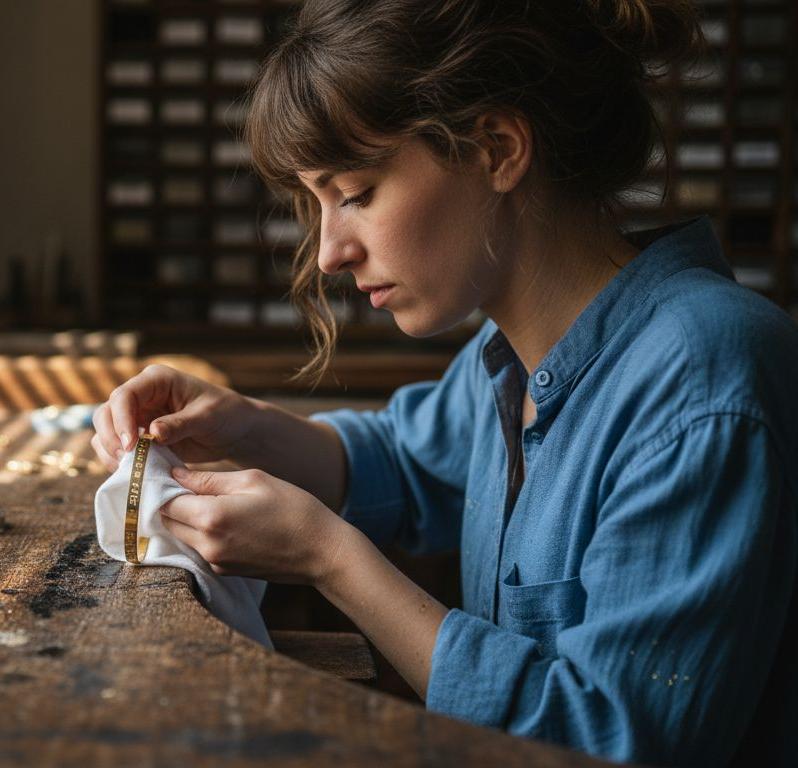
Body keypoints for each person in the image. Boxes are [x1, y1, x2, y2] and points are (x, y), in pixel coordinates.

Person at [90, 1, 797, 765]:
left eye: (355, 192)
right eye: (316, 203)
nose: (328, 252)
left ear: (496, 148)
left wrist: (329, 559)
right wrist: (242, 424)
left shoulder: (704, 378)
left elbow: (610, 741)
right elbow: (404, 461)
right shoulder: (514, 351)